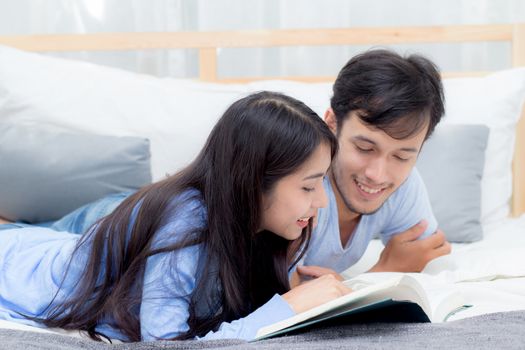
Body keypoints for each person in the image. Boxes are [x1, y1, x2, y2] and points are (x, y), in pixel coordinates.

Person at [0, 91, 352, 342]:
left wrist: (303, 297)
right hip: (15, 269)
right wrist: (285, 308)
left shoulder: (264, 228)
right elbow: (163, 341)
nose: (321, 201)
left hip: (63, 245)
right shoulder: (186, 221)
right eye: (308, 187)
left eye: (321, 182)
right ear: (253, 184)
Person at [295, 49, 452, 283]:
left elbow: (432, 254)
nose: (377, 175)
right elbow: (277, 298)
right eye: (365, 148)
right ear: (331, 124)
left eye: (401, 157)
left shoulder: (404, 184)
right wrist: (385, 271)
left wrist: (354, 286)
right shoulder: (296, 180)